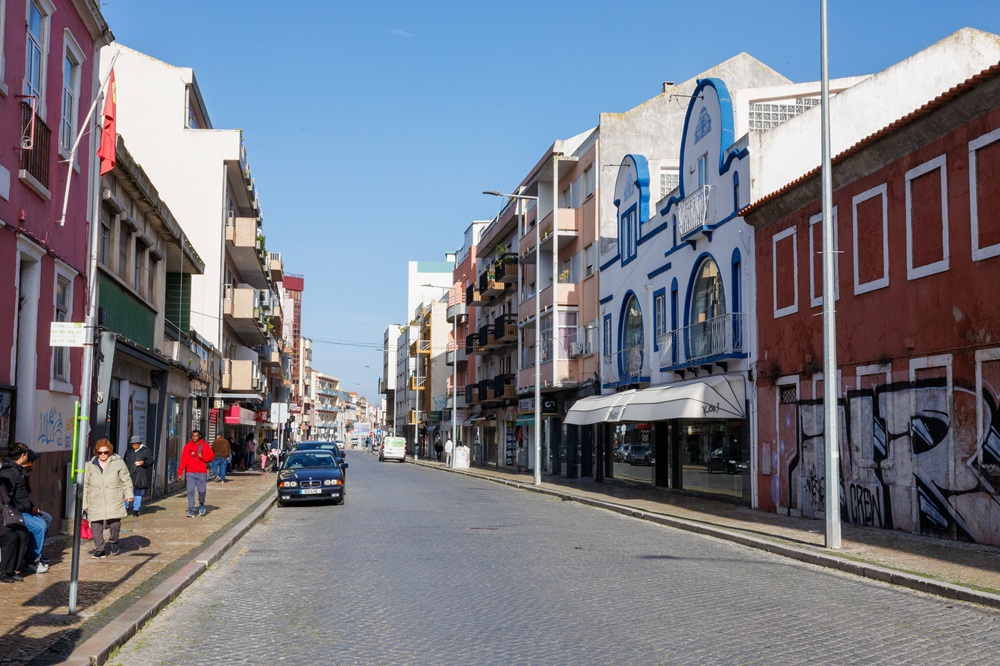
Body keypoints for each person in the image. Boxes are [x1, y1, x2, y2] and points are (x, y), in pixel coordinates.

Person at [0, 443, 51, 573]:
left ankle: (35, 554)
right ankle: (31, 561)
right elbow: (9, 499)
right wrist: (26, 508)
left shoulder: (19, 471)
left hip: (23, 509)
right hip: (15, 512)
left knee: (46, 518)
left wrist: (30, 507)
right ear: (23, 456)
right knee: (40, 526)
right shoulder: (10, 472)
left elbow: (22, 495)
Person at [83, 438, 134, 558]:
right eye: (100, 452)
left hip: (113, 498)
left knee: (115, 524)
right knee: (96, 526)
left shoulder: (118, 463)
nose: (103, 455)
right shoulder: (90, 465)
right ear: (96, 452)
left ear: (109, 452)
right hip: (95, 499)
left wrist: (129, 494)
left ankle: (113, 541)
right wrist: (84, 503)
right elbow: (85, 485)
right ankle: (100, 549)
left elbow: (126, 480)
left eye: (105, 452)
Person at [178, 429, 214, 517]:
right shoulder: (187, 446)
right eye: (193, 436)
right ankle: (191, 509)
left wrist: (202, 456)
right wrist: (180, 472)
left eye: (196, 436)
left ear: (199, 436)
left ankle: (201, 504)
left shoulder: (204, 445)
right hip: (190, 472)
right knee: (190, 491)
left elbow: (211, 456)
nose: (194, 438)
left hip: (201, 472)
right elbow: (183, 460)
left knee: (202, 491)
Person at [0, 482, 30, 583]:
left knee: (22, 533)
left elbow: (9, 500)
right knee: (10, 537)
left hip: (3, 519)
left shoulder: (1, 484)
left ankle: (12, 570)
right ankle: (4, 572)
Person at [123, 435, 153, 517]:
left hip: (140, 473)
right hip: (129, 473)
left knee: (137, 491)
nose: (134, 446)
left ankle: (136, 509)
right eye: (132, 445)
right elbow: (124, 460)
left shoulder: (145, 450)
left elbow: (150, 461)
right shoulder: (129, 450)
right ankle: (125, 507)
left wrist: (143, 462)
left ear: (139, 444)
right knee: (127, 490)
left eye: (135, 445)